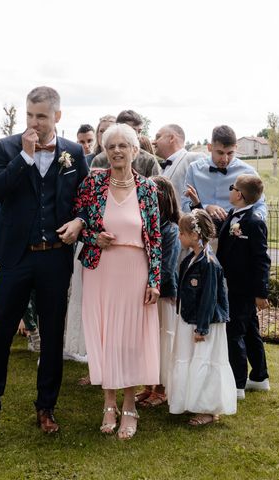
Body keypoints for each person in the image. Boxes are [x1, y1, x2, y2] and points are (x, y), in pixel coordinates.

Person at [0, 86, 89, 436]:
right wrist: (25, 157)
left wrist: (80, 221)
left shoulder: (75, 153)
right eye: (30, 115)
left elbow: (85, 198)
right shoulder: (5, 147)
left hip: (55, 259)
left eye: (42, 116)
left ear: (57, 117)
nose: (34, 122)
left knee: (51, 335)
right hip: (16, 257)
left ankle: (46, 408)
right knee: (0, 331)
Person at [75, 123, 161, 440]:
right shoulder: (93, 184)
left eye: (123, 145)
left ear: (135, 151)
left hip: (135, 268)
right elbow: (78, 219)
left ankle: (129, 405)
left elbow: (154, 238)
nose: (116, 151)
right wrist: (92, 237)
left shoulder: (149, 189)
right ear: (105, 151)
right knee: (106, 336)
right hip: (101, 270)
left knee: (129, 340)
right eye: (111, 146)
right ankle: (108, 403)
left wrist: (155, 280)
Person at [168, 209, 236, 426]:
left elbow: (208, 297)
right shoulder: (191, 258)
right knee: (191, 360)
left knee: (204, 362)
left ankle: (208, 409)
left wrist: (202, 328)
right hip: (189, 318)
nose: (179, 236)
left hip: (203, 322)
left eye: (182, 232)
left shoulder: (208, 263)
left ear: (195, 235)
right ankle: (192, 401)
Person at [216, 174, 271, 400]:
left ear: (238, 194)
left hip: (243, 288)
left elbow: (261, 259)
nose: (230, 191)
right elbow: (223, 232)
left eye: (232, 187)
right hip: (233, 285)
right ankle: (259, 377)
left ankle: (237, 384)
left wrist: (261, 293)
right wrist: (198, 204)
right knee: (249, 332)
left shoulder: (254, 222)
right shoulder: (234, 215)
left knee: (234, 333)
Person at [135, 175, 181, 407]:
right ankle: (148, 386)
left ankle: (161, 390)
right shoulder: (147, 225)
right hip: (146, 292)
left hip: (163, 294)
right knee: (148, 340)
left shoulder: (171, 229)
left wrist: (152, 284)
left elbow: (167, 266)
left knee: (162, 340)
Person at [182, 125, 267, 234]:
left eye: (230, 153)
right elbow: (184, 205)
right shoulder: (194, 169)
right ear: (209, 147)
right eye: (220, 153)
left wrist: (249, 223)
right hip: (202, 237)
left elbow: (260, 205)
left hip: (235, 239)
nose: (225, 159)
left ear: (236, 148)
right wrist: (206, 207)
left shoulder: (248, 172)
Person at [90, 110, 161, 177]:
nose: (137, 135)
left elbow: (158, 188)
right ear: (118, 128)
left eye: (139, 131)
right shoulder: (100, 160)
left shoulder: (149, 161)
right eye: (132, 130)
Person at [153, 124, 204, 202]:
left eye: (158, 137)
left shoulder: (195, 158)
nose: (153, 142)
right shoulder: (162, 168)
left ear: (171, 138)